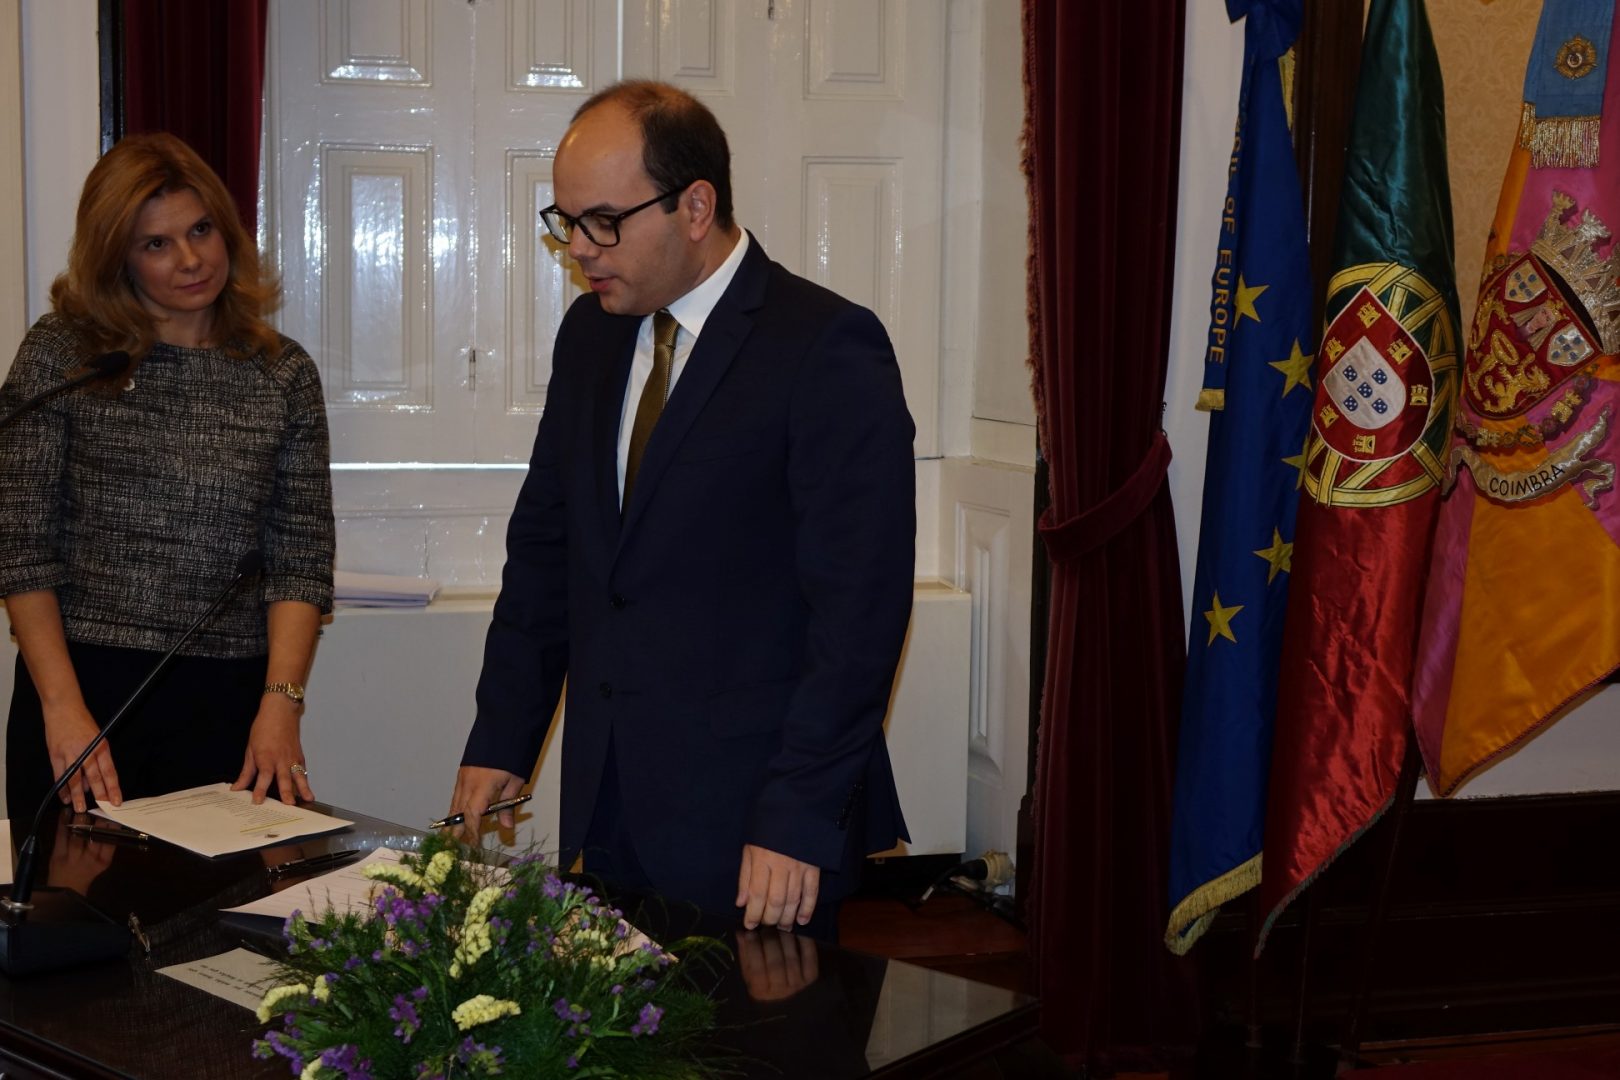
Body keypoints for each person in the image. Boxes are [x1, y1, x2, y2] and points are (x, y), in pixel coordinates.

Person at [449, 80, 915, 939]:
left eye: (603, 222)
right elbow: (548, 550)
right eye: (567, 221)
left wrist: (796, 816)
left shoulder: (824, 346)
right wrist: (503, 736)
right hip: (610, 801)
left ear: (695, 207)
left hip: (758, 824)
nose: (579, 249)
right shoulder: (590, 336)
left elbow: (858, 616)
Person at [0, 132, 334, 821]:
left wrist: (281, 706)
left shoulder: (282, 373)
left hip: (230, 697)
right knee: (70, 893)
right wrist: (61, 707)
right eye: (157, 243)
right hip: (81, 687)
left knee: (228, 892)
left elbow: (300, 561)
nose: (190, 259)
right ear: (117, 257)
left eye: (201, 230)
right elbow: (20, 545)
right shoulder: (64, 355)